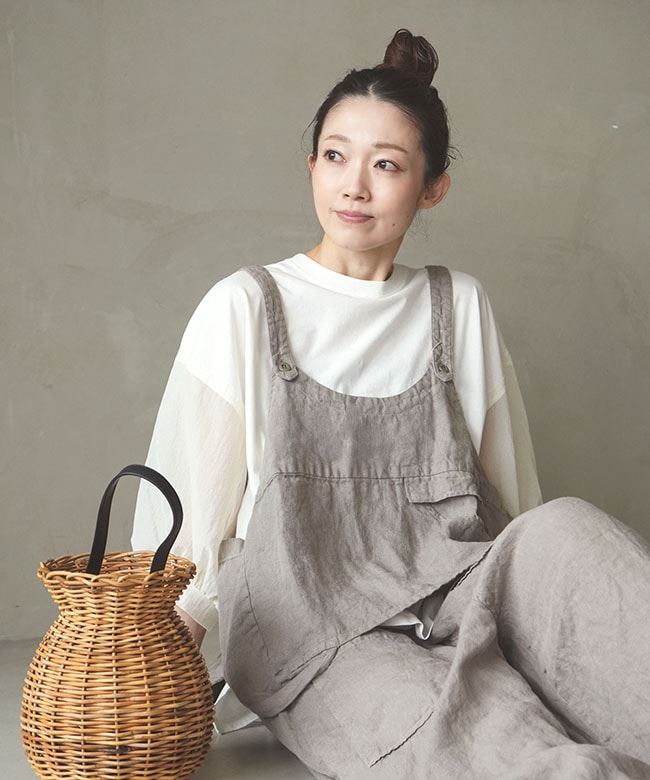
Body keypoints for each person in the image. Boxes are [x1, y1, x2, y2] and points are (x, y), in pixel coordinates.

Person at [133, 29, 650, 779]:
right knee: (501, 743)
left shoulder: (458, 304)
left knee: (566, 526)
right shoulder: (244, 306)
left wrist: (553, 632)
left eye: (386, 165)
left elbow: (517, 512)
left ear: (432, 187)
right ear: (312, 166)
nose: (354, 186)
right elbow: (185, 528)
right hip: (322, 637)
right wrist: (151, 662)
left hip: (464, 593)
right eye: (335, 156)